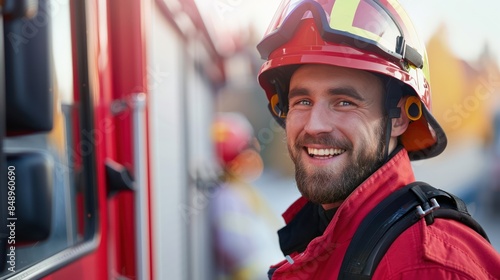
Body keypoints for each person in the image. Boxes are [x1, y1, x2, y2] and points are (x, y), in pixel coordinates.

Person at [255, 0, 500, 279]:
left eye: (344, 102)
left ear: (400, 118)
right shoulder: (328, 236)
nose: (315, 125)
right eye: (302, 101)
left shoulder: (427, 267)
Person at [210, 112, 282, 280]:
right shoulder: (226, 197)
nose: (252, 154)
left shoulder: (236, 190)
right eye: (247, 147)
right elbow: (234, 246)